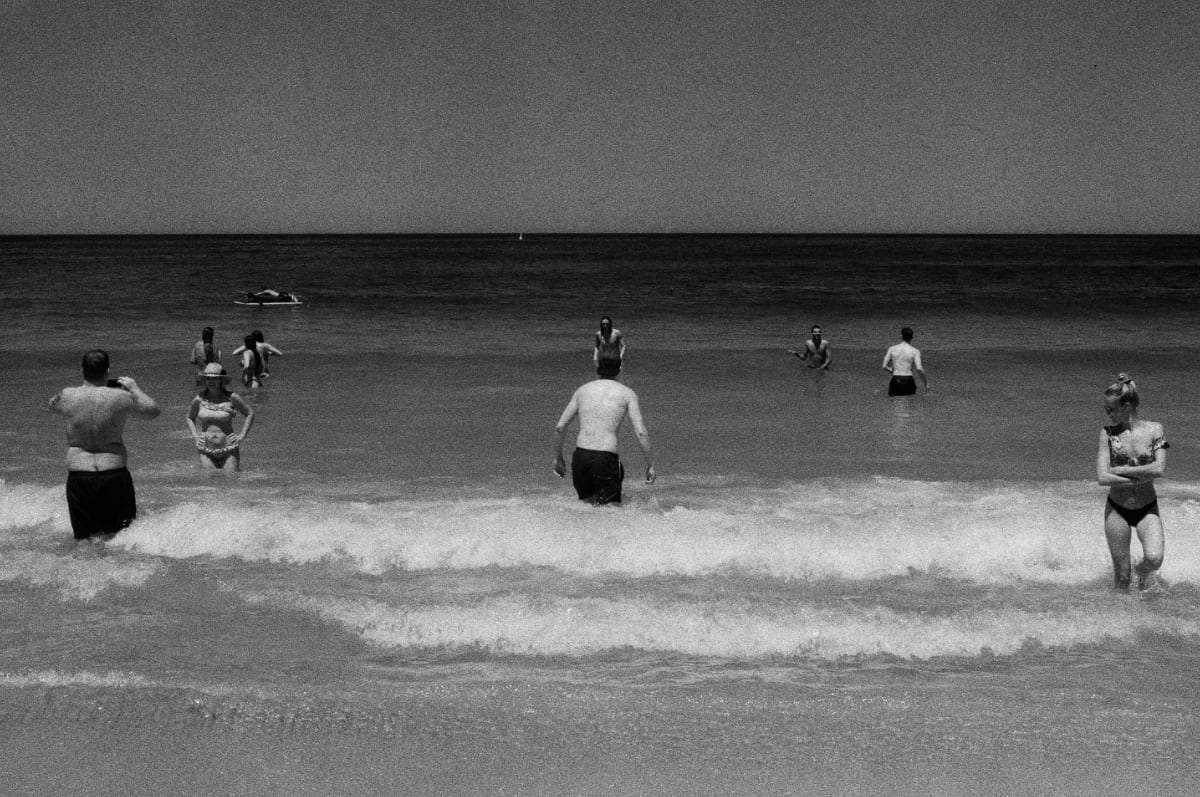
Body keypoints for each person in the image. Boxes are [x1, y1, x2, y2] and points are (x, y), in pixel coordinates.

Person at [47, 350, 160, 540]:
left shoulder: (66, 395)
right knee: (120, 538)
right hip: (114, 473)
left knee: (84, 541)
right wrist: (134, 388)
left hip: (80, 475)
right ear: (108, 371)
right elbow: (153, 411)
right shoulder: (121, 397)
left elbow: (51, 406)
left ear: (82, 369)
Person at [1096, 374, 1168, 591]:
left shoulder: (1156, 430)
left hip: (1147, 508)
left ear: (1126, 407)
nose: (1107, 414)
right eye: (1106, 409)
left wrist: (1123, 470)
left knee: (1154, 559)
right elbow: (1102, 477)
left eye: (1111, 409)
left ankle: (1143, 573)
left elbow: (1160, 469)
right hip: (1117, 511)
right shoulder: (1107, 434)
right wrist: (1141, 477)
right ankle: (1124, 619)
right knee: (1123, 578)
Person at [553, 354, 655, 505]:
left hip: (581, 457)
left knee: (586, 508)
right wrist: (650, 464)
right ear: (620, 368)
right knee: (611, 511)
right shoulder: (627, 394)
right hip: (605, 458)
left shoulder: (582, 391)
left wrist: (558, 457)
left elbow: (560, 427)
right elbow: (640, 432)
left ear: (597, 368)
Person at [186, 362, 255, 471]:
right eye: (208, 379)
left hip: (229, 448)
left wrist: (241, 436)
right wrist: (195, 436)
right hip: (206, 448)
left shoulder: (232, 398)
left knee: (231, 483)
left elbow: (250, 413)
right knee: (210, 485)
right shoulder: (199, 400)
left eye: (214, 378)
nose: (211, 382)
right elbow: (189, 417)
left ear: (221, 381)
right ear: (204, 381)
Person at [882, 327, 929, 396]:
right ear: (912, 337)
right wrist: (926, 383)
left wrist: (892, 371)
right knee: (910, 404)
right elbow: (919, 368)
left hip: (895, 379)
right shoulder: (915, 351)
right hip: (908, 379)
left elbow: (884, 366)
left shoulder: (892, 349)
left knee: (894, 404)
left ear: (901, 336)